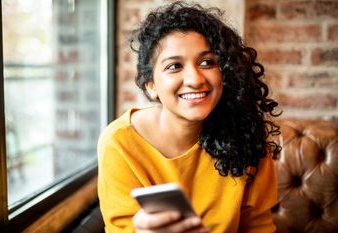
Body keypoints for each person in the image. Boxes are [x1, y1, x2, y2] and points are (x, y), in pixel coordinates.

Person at [97, 1, 281, 232]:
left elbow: (257, 226)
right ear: (151, 86)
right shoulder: (120, 143)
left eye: (207, 62)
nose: (195, 79)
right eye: (174, 66)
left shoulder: (248, 133)